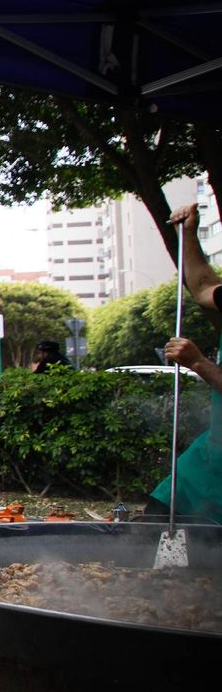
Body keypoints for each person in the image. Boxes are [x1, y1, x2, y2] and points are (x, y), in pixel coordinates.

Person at [143, 203, 222, 524]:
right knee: (159, 516)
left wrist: (199, 363)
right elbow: (203, 286)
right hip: (212, 453)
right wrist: (188, 234)